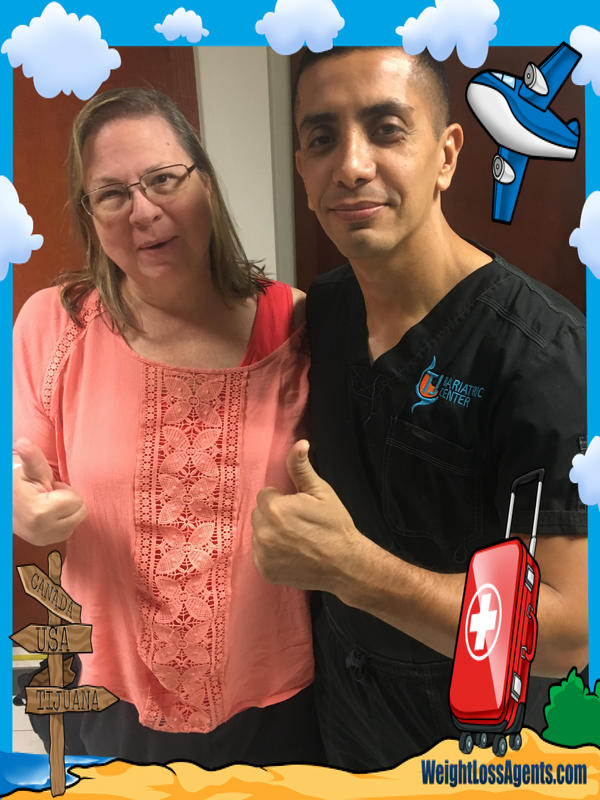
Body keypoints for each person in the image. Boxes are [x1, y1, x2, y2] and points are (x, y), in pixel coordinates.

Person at [251, 47, 588, 770]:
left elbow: (567, 633)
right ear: (303, 171)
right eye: (322, 139)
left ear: (447, 155)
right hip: (342, 709)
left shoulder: (543, 356)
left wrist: (352, 571)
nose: (351, 166)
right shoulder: (326, 311)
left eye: (387, 130)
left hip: (478, 737)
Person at [12, 87, 323, 766]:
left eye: (163, 179)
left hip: (272, 701)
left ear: (204, 183)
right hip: (108, 695)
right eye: (111, 194)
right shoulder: (54, 323)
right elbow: (20, 466)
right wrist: (20, 505)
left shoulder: (298, 327)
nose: (144, 211)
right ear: (90, 215)